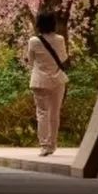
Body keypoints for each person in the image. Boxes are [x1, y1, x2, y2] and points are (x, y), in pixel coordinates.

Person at [24, 11, 69, 156]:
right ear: (53, 23)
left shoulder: (34, 41)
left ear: (39, 24)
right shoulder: (60, 39)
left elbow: (30, 61)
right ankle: (52, 145)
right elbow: (63, 58)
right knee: (55, 113)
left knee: (42, 113)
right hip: (57, 79)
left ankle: (44, 145)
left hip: (39, 80)